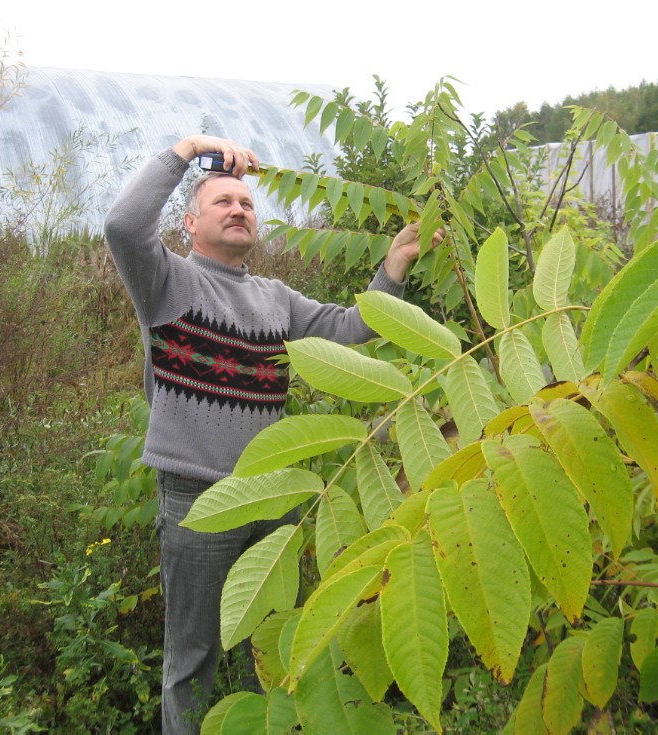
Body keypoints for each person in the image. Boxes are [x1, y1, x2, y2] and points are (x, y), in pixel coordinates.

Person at [104, 134, 443, 732]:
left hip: (274, 498)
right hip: (197, 500)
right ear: (189, 223)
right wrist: (187, 149)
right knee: (193, 655)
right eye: (222, 202)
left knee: (271, 649)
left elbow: (350, 328)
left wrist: (394, 265)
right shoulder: (165, 282)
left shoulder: (276, 299)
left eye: (247, 203)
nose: (239, 209)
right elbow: (123, 226)